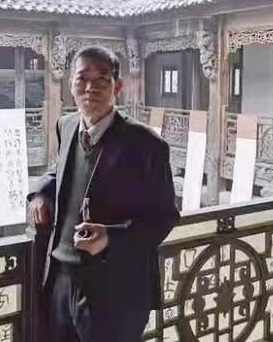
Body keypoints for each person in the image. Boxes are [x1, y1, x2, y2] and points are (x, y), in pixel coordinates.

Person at [28, 46, 180, 342]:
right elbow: (59, 170)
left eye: (101, 79)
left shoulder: (146, 144)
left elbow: (164, 217)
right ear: (70, 83)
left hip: (115, 290)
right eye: (82, 79)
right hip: (61, 280)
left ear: (117, 86)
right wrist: (40, 193)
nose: (90, 88)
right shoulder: (67, 126)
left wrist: (111, 237)